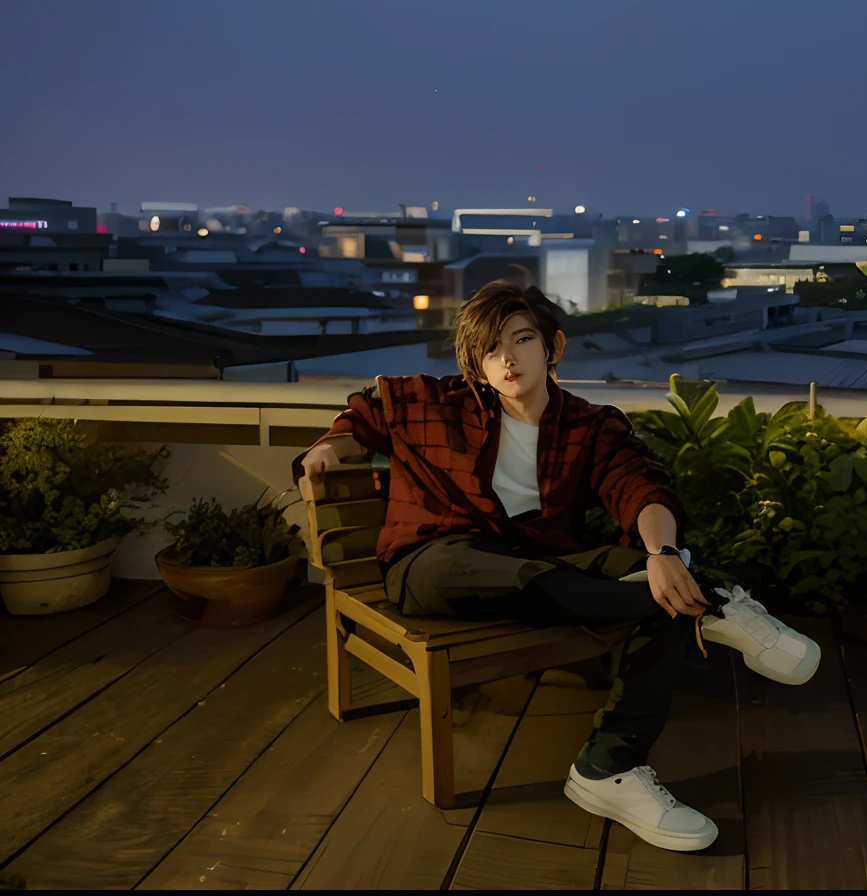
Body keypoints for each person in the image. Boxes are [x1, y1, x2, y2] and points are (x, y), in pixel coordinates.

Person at [294, 278, 820, 853]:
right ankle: (713, 608)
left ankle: (608, 767)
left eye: (521, 340)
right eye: (491, 349)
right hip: (432, 563)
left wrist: (663, 555)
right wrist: (328, 448)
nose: (507, 358)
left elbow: (639, 486)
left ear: (554, 347)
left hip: (541, 562)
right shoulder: (431, 401)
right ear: (476, 363)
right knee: (647, 599)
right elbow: (362, 417)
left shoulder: (591, 425)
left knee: (639, 574)